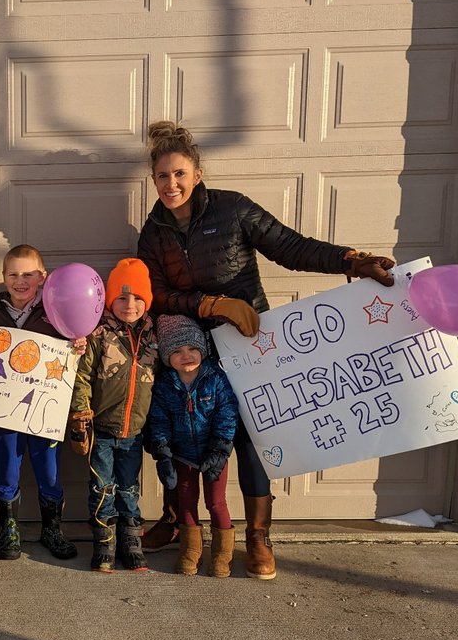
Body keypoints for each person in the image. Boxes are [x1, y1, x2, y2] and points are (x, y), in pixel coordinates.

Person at [136, 120, 396, 580]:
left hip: (251, 345)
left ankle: (258, 535)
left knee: (251, 439)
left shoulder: (232, 210)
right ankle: (178, 521)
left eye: (179, 174)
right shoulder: (153, 231)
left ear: (197, 173)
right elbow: (155, 295)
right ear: (153, 180)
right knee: (179, 438)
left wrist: (351, 261)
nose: (171, 184)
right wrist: (209, 303)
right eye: (162, 176)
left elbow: (291, 248)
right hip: (189, 352)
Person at [0, 245, 79, 562]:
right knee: (7, 466)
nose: (21, 281)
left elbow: (76, 340)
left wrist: (79, 342)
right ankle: (9, 529)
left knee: (48, 469)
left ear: (42, 277)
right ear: (4, 278)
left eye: (28, 274)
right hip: (4, 410)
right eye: (13, 274)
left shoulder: (55, 311)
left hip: (44, 408)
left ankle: (52, 529)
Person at [69, 258, 159, 573]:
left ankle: (131, 543)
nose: (129, 305)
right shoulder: (98, 334)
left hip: (135, 432)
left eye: (137, 298)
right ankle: (104, 543)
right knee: (101, 487)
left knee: (129, 488)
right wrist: (81, 411)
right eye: (121, 297)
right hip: (103, 431)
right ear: (109, 299)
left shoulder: (154, 336)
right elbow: (82, 377)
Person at [144, 315, 239, 577]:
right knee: (186, 502)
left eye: (192, 348)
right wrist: (162, 451)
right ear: (166, 357)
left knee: (216, 503)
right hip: (182, 455)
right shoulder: (165, 385)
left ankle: (222, 553)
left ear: (203, 350)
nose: (186, 356)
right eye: (177, 351)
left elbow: (228, 412)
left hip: (213, 454)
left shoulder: (215, 378)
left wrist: (220, 448)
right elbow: (159, 419)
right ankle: (190, 550)